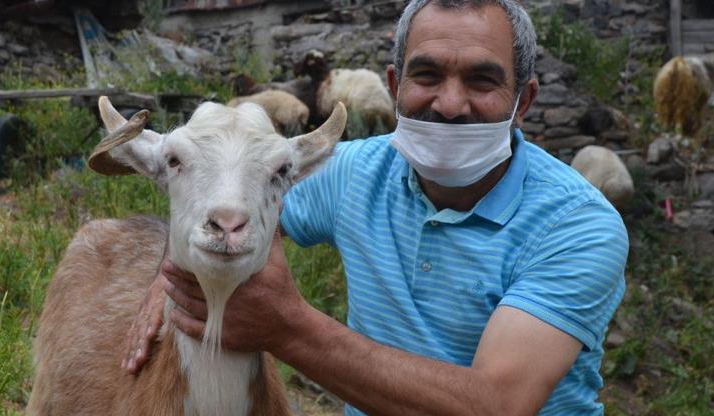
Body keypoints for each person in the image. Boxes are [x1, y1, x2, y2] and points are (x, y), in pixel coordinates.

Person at [122, 0, 628, 414]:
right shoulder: (354, 172)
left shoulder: (579, 225)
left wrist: (287, 326)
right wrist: (176, 269)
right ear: (393, 87)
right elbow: (231, 199)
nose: (449, 103)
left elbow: (497, 405)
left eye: (481, 80)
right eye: (426, 74)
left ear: (524, 101)